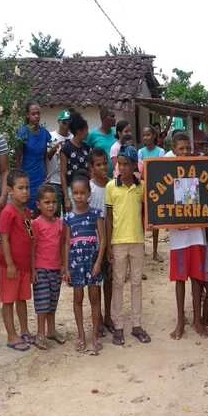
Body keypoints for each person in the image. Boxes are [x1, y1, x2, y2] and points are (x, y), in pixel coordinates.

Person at [163, 133, 208, 339]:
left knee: (197, 277)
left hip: (196, 234)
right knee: (180, 279)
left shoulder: (198, 166)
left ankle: (198, 320)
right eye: (180, 148)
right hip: (178, 237)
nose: (184, 152)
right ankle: (181, 321)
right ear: (174, 148)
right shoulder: (164, 165)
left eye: (186, 148)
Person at [106, 145, 150, 345]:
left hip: (138, 240)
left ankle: (137, 324)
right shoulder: (111, 187)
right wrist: (107, 245)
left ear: (134, 165)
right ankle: (117, 326)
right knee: (117, 284)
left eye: (126, 164)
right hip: (118, 242)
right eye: (119, 164)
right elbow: (108, 217)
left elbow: (146, 211)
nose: (121, 168)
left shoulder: (141, 187)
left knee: (136, 284)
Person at [63, 175, 106, 354]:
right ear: (71, 194)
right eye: (76, 193)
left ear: (89, 194)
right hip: (76, 264)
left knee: (95, 299)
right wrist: (66, 268)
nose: (79, 196)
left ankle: (95, 335)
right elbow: (66, 243)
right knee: (78, 299)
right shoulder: (68, 218)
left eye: (82, 193)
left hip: (92, 262)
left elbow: (103, 239)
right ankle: (81, 335)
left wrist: (98, 263)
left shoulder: (97, 214)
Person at [0, 170, 34, 351]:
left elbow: (30, 236)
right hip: (10, 267)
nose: (25, 191)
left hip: (24, 266)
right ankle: (11, 335)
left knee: (22, 299)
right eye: (21, 188)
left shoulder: (27, 212)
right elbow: (4, 238)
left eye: (27, 187)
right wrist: (10, 264)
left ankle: (25, 330)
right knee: (8, 300)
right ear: (10, 190)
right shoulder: (8, 212)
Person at [31, 184, 65, 350]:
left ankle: (51, 331)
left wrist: (64, 266)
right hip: (41, 269)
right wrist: (32, 270)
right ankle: (40, 334)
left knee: (53, 301)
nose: (51, 205)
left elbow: (63, 246)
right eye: (47, 202)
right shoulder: (35, 224)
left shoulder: (60, 223)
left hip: (56, 269)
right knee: (42, 303)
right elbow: (32, 247)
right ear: (38, 205)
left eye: (53, 202)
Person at [88, 149, 114, 334]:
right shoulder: (88, 189)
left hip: (111, 241)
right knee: (94, 282)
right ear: (92, 168)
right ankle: (96, 319)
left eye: (105, 163)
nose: (103, 167)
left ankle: (108, 316)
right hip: (92, 243)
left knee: (109, 279)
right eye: (98, 164)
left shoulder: (113, 186)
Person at [16, 102, 51, 212]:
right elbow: (18, 157)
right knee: (27, 211)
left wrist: (46, 175)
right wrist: (19, 179)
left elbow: (45, 156)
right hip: (27, 178)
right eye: (33, 114)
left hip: (41, 177)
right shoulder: (23, 133)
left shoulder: (44, 133)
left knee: (41, 209)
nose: (36, 116)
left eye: (38, 114)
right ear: (27, 115)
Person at [138, 126, 165, 262]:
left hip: (156, 190)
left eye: (148, 135)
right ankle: (142, 250)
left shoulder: (161, 152)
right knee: (141, 219)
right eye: (144, 135)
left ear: (154, 136)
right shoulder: (140, 152)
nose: (146, 137)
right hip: (143, 189)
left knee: (155, 222)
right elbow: (139, 173)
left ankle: (155, 251)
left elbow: (162, 171)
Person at [60, 110, 91, 213]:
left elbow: (90, 171)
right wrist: (66, 198)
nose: (88, 132)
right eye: (86, 130)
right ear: (79, 131)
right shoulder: (66, 148)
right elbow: (62, 174)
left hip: (86, 190)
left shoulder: (87, 148)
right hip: (72, 190)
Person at [47, 110, 73, 212]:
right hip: (54, 180)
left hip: (69, 181)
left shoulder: (73, 138)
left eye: (69, 122)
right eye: (64, 122)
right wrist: (54, 148)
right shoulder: (51, 136)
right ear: (58, 122)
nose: (66, 125)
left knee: (70, 213)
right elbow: (47, 157)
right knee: (54, 212)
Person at [87, 108, 117, 176]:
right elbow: (86, 154)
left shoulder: (116, 134)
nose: (115, 118)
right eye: (112, 116)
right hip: (99, 177)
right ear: (104, 118)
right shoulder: (93, 135)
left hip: (116, 177)